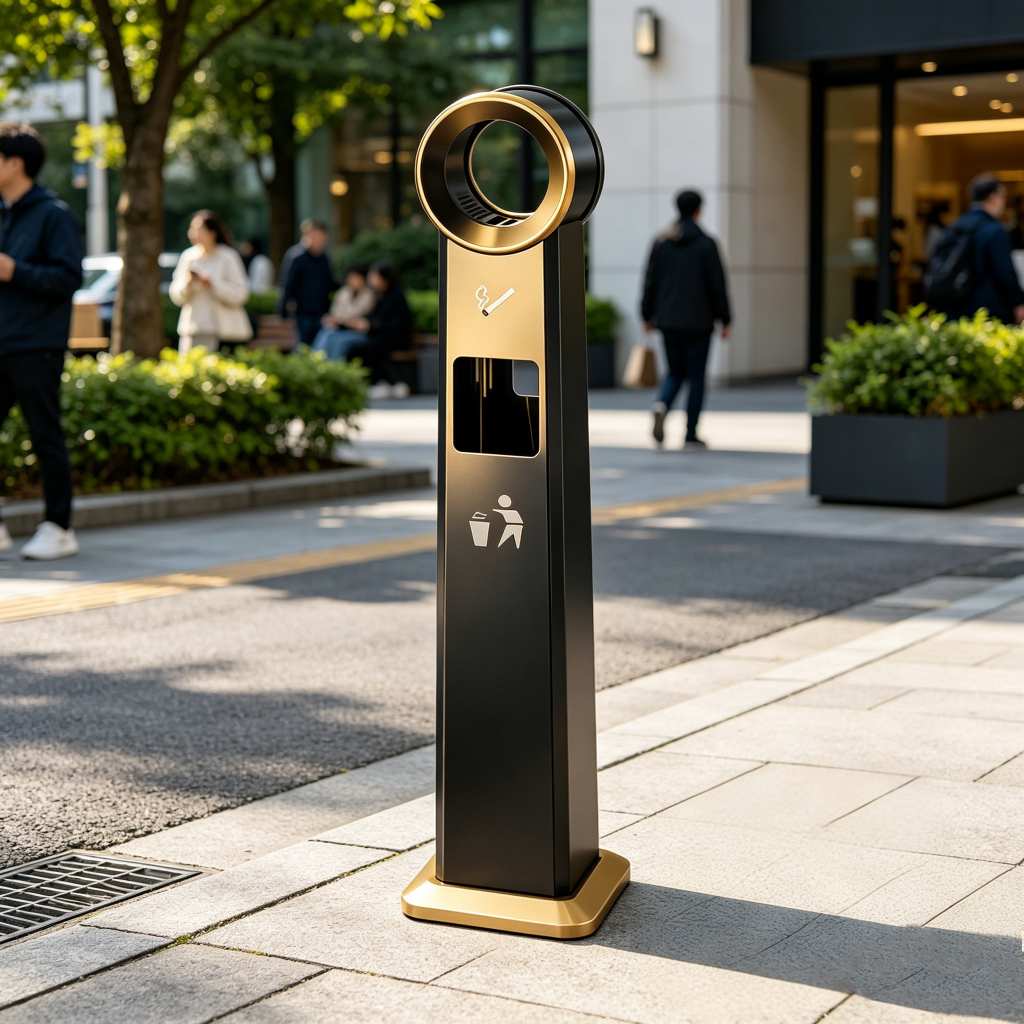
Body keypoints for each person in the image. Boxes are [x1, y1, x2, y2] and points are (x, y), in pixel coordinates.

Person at [0, 123, 83, 561]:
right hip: (1, 340)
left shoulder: (53, 214)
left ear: (15, 164)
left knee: (43, 434)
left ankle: (59, 525)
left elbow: (69, 277)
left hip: (36, 344)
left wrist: (16, 271)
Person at [641, 189, 731, 451]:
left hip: (668, 321)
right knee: (696, 377)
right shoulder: (706, 243)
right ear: (698, 210)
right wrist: (725, 319)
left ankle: (662, 405)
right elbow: (718, 286)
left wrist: (647, 315)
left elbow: (650, 282)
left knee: (675, 372)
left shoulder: (662, 242)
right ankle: (691, 433)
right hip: (700, 322)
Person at [928, 174, 1024, 323]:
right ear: (993, 197)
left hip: (956, 307)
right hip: (988, 311)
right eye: (1003, 197)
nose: (1004, 203)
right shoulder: (994, 230)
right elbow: (1005, 272)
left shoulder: (955, 227)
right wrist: (1018, 302)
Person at [314, 262, 412, 398]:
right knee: (327, 335)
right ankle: (320, 371)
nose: (371, 280)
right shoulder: (379, 295)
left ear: (384, 279)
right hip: (376, 335)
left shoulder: (393, 297)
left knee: (361, 347)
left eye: (374, 277)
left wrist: (369, 325)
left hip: (392, 338)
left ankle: (343, 379)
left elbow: (395, 325)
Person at [170, 210, 252, 354]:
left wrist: (213, 284)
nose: (194, 234)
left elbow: (241, 294)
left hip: (225, 333)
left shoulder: (228, 257)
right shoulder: (188, 257)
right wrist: (188, 284)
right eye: (192, 229)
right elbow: (176, 295)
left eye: (199, 229)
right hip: (194, 330)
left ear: (212, 232)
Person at [279, 219, 336, 348]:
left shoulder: (324, 258)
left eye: (322, 238)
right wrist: (283, 311)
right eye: (317, 237)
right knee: (302, 347)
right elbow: (287, 285)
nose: (320, 241)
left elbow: (330, 283)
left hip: (321, 313)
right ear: (308, 235)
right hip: (302, 313)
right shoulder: (296, 256)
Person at [311, 264, 376, 359]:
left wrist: (342, 320)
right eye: (351, 278)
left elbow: (361, 321)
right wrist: (334, 320)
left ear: (363, 279)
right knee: (325, 334)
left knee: (338, 341)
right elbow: (335, 314)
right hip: (340, 329)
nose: (353, 281)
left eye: (356, 278)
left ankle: (335, 370)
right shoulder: (343, 293)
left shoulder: (370, 295)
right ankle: (316, 364)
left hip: (359, 334)